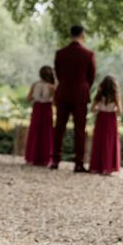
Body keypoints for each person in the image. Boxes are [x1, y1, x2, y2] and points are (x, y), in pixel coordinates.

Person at [51, 24, 96, 172]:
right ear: (82, 34)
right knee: (79, 129)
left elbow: (58, 74)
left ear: (70, 34)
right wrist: (83, 86)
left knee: (59, 128)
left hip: (63, 92)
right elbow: (91, 76)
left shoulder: (60, 53)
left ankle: (55, 160)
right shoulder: (88, 54)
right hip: (80, 95)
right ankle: (78, 163)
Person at [89, 76, 122, 175]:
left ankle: (97, 167)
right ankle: (107, 167)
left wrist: (101, 107)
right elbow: (120, 111)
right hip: (111, 120)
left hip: (101, 119)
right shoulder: (116, 96)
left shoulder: (99, 96)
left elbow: (92, 109)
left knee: (99, 141)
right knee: (109, 142)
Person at [24, 66, 56, 166]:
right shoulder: (52, 87)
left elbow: (28, 98)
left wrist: (36, 96)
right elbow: (55, 102)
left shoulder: (35, 85)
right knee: (46, 133)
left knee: (35, 131)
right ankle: (44, 158)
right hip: (47, 109)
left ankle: (31, 157)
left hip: (37, 108)